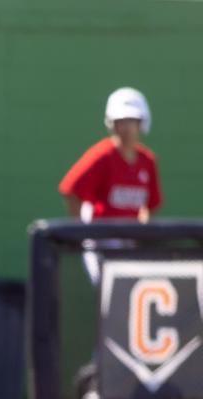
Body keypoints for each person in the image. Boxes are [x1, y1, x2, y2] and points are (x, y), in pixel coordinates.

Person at [59, 87, 163, 285]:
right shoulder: (102, 155)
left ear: (141, 123)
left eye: (131, 121)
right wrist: (82, 233)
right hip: (102, 242)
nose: (125, 128)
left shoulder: (147, 161)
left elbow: (152, 204)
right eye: (120, 121)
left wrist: (141, 231)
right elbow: (70, 190)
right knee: (109, 295)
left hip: (130, 244)